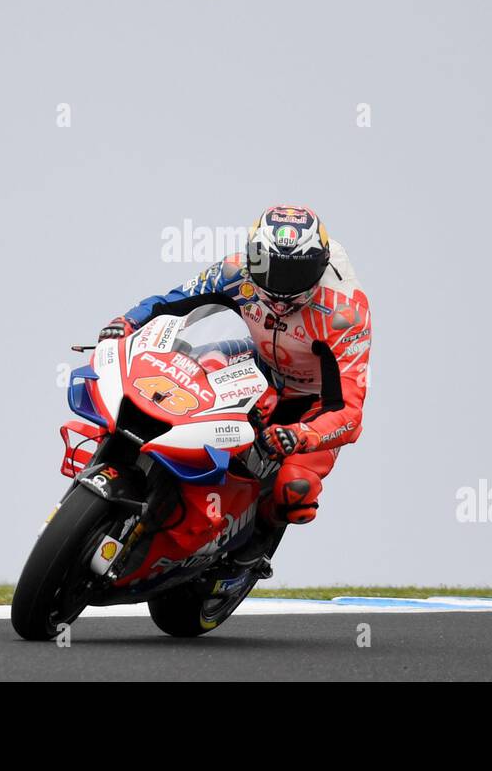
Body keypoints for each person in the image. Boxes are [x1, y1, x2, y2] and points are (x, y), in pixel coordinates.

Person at [98, 205, 371, 564]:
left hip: (314, 402)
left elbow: (350, 412)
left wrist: (302, 435)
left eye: (295, 272)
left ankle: (252, 550)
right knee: (178, 377)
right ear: (252, 254)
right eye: (266, 266)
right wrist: (127, 322)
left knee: (295, 491)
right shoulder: (236, 271)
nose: (278, 285)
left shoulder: (343, 313)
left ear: (319, 267)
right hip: (258, 366)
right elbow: (173, 302)